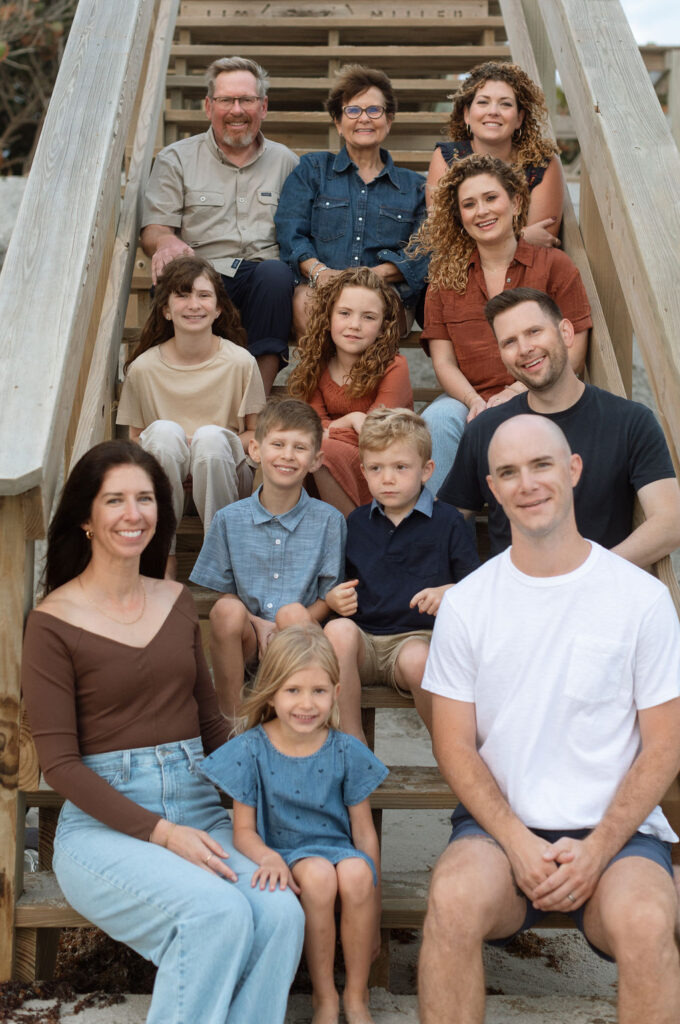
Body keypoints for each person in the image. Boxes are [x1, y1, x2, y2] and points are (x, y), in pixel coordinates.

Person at [21, 440, 304, 1024]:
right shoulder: (52, 622)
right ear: (86, 517)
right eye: (115, 500)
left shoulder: (177, 602)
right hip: (108, 827)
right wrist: (160, 832)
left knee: (280, 912)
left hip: (201, 807)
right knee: (214, 914)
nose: (133, 514)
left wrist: (260, 806)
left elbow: (209, 725)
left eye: (145, 499)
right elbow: (59, 765)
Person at [419, 414, 680, 1024]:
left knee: (648, 922)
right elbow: (453, 745)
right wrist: (515, 838)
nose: (527, 484)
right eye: (508, 472)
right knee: (453, 899)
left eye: (541, 466)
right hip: (498, 829)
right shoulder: (468, 604)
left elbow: (665, 745)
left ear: (573, 470)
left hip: (616, 836)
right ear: (491, 487)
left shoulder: (638, 598)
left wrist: (598, 850)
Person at [200, 625, 388, 1024]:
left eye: (319, 691)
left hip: (338, 847)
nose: (307, 704)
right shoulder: (252, 748)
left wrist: (376, 901)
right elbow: (244, 831)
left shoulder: (345, 750)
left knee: (356, 874)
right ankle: (324, 996)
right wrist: (267, 857)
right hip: (285, 852)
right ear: (270, 692)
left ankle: (356, 994)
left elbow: (364, 833)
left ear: (337, 693)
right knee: (319, 877)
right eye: (293, 690)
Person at [441, 287, 680, 568]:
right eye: (509, 342)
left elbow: (672, 521)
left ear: (566, 333)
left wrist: (590, 573)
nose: (524, 348)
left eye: (534, 331)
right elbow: (445, 522)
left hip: (597, 598)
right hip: (514, 602)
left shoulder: (630, 421)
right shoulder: (486, 429)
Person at [410, 154, 591, 492]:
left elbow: (574, 351)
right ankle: (443, 533)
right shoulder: (444, 278)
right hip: (470, 400)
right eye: (469, 204)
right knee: (437, 419)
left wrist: (514, 392)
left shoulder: (554, 265)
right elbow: (443, 362)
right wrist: (473, 400)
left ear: (516, 201)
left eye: (491, 198)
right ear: (459, 215)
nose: (482, 211)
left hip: (540, 391)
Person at [141, 57, 298, 394]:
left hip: (262, 277)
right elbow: (154, 227)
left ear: (264, 106)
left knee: (277, 275)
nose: (237, 110)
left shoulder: (286, 161)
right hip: (201, 269)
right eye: (226, 100)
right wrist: (165, 241)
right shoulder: (176, 158)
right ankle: (183, 391)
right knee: (178, 276)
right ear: (209, 106)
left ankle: (256, 398)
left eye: (247, 100)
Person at [323, 408, 479, 740]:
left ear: (426, 471)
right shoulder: (356, 523)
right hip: (364, 642)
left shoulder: (449, 521)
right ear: (363, 472)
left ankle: (451, 750)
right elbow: (341, 584)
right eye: (376, 469)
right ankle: (354, 745)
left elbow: (475, 589)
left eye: (400, 468)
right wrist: (334, 598)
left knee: (418, 659)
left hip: (414, 640)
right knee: (337, 631)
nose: (388, 478)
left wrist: (447, 591)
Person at [189, 399, 346, 726]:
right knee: (225, 611)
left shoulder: (330, 521)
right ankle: (233, 724)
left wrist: (284, 626)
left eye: (300, 447)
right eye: (278, 444)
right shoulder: (228, 519)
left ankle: (298, 726)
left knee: (293, 613)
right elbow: (225, 592)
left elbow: (326, 599)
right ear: (255, 451)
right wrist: (259, 625)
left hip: (300, 639)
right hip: (246, 639)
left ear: (316, 460)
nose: (288, 455)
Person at [117, 255, 266, 576]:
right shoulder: (143, 369)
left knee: (209, 440)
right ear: (166, 309)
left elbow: (256, 436)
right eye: (182, 295)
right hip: (164, 477)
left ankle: (222, 560)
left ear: (219, 308)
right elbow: (135, 439)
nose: (193, 304)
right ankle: (163, 559)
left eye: (203, 295)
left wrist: (198, 450)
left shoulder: (240, 362)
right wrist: (182, 453)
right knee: (163, 435)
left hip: (224, 473)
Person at [275, 64, 429, 339]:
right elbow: (290, 231)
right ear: (338, 121)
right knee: (303, 302)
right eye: (353, 110)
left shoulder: (414, 186)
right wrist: (321, 273)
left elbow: (421, 253)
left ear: (389, 119)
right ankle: (324, 380)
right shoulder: (313, 169)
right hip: (320, 286)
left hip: (386, 291)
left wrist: (370, 276)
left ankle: (361, 383)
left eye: (374, 110)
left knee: (368, 311)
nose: (364, 119)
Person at [287, 267, 413, 516]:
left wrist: (328, 431)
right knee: (295, 451)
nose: (354, 325)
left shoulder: (394, 367)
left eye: (368, 317)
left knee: (321, 449)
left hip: (381, 464)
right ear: (328, 317)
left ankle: (352, 534)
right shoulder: (315, 367)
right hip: (320, 461)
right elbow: (308, 428)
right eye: (344, 313)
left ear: (382, 327)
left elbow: (375, 433)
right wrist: (351, 420)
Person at [426, 61, 563, 249]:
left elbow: (542, 241)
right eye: (483, 102)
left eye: (505, 104)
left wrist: (483, 237)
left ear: (519, 118)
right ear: (467, 114)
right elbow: (443, 236)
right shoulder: (447, 157)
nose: (493, 111)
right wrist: (522, 235)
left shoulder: (542, 163)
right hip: (463, 272)